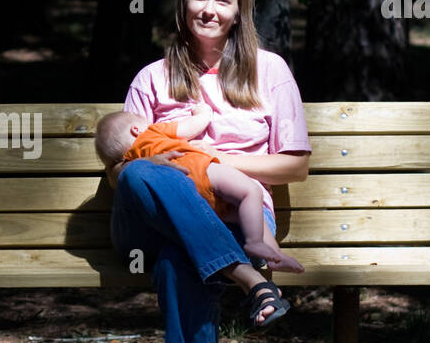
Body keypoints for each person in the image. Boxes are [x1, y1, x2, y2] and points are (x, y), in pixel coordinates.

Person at [106, 0, 311, 343]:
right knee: (140, 170)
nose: (210, 8)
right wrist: (167, 165)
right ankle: (250, 279)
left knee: (182, 261)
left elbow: (294, 166)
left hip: (237, 214)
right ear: (184, 3)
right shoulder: (152, 78)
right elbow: (120, 171)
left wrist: (222, 161)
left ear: (240, 10)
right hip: (153, 223)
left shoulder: (270, 70)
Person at [94, 106, 305, 273]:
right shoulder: (152, 132)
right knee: (250, 194)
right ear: (136, 129)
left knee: (235, 213)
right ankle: (261, 246)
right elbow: (192, 126)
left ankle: (270, 254)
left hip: (188, 202)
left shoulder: (136, 160)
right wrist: (203, 112)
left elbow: (121, 176)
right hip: (196, 170)